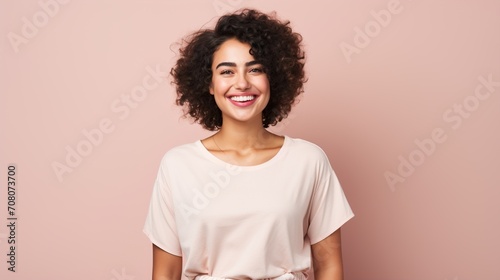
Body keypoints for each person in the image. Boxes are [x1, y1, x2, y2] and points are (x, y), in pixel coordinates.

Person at [143, 9, 354, 280]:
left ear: (273, 78)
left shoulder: (308, 161)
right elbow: (165, 273)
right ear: (209, 83)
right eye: (226, 71)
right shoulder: (178, 166)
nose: (242, 83)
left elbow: (329, 266)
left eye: (255, 69)